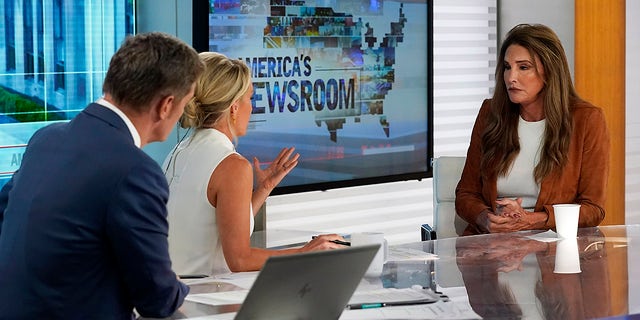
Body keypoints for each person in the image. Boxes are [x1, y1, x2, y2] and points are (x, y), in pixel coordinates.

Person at [0, 32, 204, 318]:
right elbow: (156, 298)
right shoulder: (135, 171)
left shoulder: (46, 139)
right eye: (186, 102)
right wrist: (178, 288)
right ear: (166, 105)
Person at [163, 52, 346, 276]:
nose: (253, 108)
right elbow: (239, 260)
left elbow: (213, 225)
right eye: (250, 98)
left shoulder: (179, 152)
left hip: (172, 292)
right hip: (205, 297)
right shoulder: (231, 165)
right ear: (234, 108)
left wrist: (264, 188)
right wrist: (307, 251)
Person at [455, 23, 610, 235]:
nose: (511, 78)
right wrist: (486, 219)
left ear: (549, 71)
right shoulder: (491, 113)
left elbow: (593, 209)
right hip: (494, 247)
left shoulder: (587, 120)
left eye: (523, 67)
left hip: (555, 252)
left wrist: (533, 220)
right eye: (508, 67)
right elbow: (466, 194)